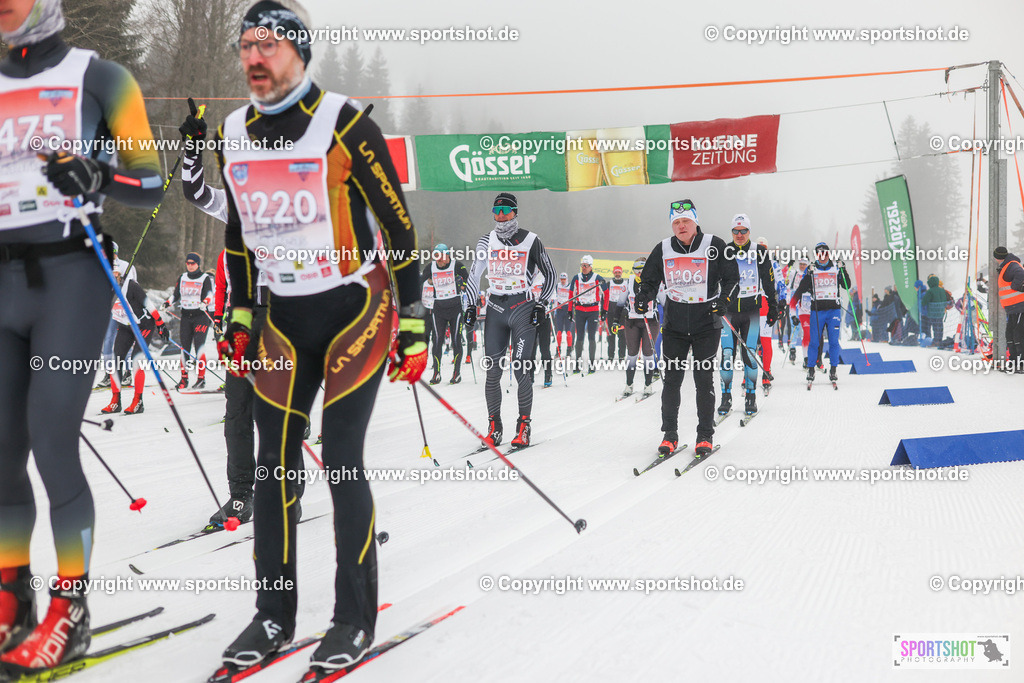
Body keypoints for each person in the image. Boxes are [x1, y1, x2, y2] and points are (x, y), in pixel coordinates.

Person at [213, 0, 424, 671]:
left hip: (355, 308)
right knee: (272, 466)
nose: (254, 58)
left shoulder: (344, 123)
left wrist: (414, 317)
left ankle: (352, 618)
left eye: (269, 46)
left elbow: (398, 225)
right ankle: (273, 613)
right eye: (247, 45)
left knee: (340, 456)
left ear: (300, 53)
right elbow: (240, 232)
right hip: (282, 315)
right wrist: (241, 311)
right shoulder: (234, 131)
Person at [0, 0, 162, 672]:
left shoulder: (101, 77)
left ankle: (73, 610)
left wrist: (98, 173)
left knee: (51, 439)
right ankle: (13, 599)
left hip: (71, 273)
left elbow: (149, 181)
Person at [179, 109, 272, 528]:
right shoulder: (234, 205)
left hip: (283, 317)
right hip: (242, 320)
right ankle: (241, 497)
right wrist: (194, 146)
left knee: (279, 413)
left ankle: (287, 494)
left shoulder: (299, 205)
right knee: (237, 413)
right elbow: (195, 193)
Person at [635, 199, 738, 457]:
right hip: (675, 325)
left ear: (695, 221)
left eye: (686, 221)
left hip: (706, 324)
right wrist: (642, 296)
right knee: (672, 382)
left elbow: (732, 277)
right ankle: (669, 435)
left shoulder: (714, 245)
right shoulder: (663, 248)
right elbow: (648, 280)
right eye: (676, 222)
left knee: (703, 380)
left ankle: (705, 435)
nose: (681, 226)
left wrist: (724, 300)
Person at [465, 193, 557, 448]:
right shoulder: (486, 241)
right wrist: (471, 306)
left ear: (515, 212)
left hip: (522, 307)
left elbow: (550, 274)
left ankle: (524, 426)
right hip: (495, 307)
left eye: (506, 209)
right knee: (492, 372)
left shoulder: (531, 240)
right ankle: (494, 427)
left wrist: (541, 303)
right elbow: (474, 276)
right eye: (496, 210)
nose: (501, 214)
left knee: (521, 369)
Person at [717, 215, 777, 417]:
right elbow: (714, 279)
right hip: (729, 312)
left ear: (749, 232)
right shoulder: (724, 251)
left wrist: (774, 307)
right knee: (726, 355)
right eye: (736, 231)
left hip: (751, 310)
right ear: (731, 232)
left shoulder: (759, 251)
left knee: (750, 355)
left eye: (743, 231)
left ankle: (750, 397)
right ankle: (726, 397)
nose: (740, 235)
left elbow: (769, 280)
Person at [100, 271, 168, 415]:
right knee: (116, 360)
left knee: (136, 360)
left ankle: (138, 402)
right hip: (126, 326)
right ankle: (115, 401)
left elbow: (148, 304)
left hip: (143, 325)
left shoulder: (130, 286)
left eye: (114, 273)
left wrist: (160, 323)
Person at [790, 242, 850, 386]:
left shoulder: (836, 267)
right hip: (817, 311)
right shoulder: (812, 269)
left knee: (834, 342)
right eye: (819, 254)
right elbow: (801, 289)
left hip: (834, 310)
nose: (822, 256)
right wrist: (792, 307)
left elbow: (846, 285)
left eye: (825, 253)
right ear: (816, 255)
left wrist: (844, 270)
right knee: (814, 342)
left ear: (828, 254)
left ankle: (833, 369)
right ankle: (811, 369)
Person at [166, 252, 215, 390]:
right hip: (186, 316)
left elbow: (209, 294)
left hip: (201, 316)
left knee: (199, 346)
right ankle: (184, 378)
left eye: (193, 263)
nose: (190, 266)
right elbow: (176, 295)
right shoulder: (182, 277)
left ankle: (201, 378)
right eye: (188, 263)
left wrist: (205, 302)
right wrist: (167, 303)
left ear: (198, 264)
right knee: (184, 348)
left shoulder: (205, 278)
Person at [613, 257, 659, 398]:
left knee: (647, 353)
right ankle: (629, 385)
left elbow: (665, 301)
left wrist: (668, 321)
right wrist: (615, 321)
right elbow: (620, 303)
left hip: (650, 321)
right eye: (637, 271)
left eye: (642, 271)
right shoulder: (628, 283)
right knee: (632, 353)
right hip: (632, 321)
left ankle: (648, 384)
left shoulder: (655, 282)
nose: (639, 274)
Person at [425, 244, 468, 384]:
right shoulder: (430, 267)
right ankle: (436, 373)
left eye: (440, 256)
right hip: (438, 309)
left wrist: (461, 285)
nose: (438, 260)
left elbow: (469, 281)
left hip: (455, 308)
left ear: (447, 255)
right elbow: (418, 282)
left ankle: (457, 373)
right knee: (437, 341)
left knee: (456, 341)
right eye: (435, 256)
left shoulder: (457, 265)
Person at [568, 255, 607, 374]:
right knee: (579, 338)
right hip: (580, 310)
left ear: (591, 267)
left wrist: (604, 310)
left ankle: (591, 364)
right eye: (582, 266)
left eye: (586, 266)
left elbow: (606, 293)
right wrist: (570, 310)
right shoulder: (576, 278)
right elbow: (571, 295)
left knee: (591, 338)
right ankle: (577, 364)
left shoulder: (597, 278)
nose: (583, 268)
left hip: (593, 311)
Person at [994, 246, 1024, 368]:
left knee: (1018, 334)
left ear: (996, 257)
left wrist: (1017, 286)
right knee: (1010, 334)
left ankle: (1021, 362)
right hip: (1013, 307)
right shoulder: (1006, 266)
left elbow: (1020, 273)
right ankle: (1013, 361)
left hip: (1020, 305)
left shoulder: (1011, 265)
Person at [787, 256, 811, 365]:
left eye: (804, 264)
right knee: (794, 326)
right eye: (801, 264)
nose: (802, 266)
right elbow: (788, 284)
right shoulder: (794, 273)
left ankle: (807, 354)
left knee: (806, 329)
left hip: (805, 302)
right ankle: (792, 349)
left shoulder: (809, 274)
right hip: (795, 299)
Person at [605, 265, 629, 361]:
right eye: (616, 272)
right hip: (611, 312)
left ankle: (621, 356)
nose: (617, 274)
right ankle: (610, 356)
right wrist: (604, 310)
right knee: (611, 335)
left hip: (622, 313)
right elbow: (605, 297)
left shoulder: (625, 283)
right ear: (613, 273)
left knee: (622, 335)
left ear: (621, 273)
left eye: (619, 272)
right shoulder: (609, 283)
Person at [920, 276, 948, 346]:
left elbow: (924, 302)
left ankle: (935, 341)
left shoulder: (930, 291)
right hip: (941, 312)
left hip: (933, 312)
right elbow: (945, 300)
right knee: (940, 326)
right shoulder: (942, 290)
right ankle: (939, 340)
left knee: (935, 327)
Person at [552, 272, 572, 356]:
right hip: (559, 310)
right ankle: (558, 350)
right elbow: (553, 296)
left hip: (568, 310)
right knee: (559, 332)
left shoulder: (571, 286)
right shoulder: (557, 286)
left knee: (568, 332)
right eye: (561, 279)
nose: (563, 281)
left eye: (564, 279)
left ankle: (569, 350)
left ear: (567, 279)